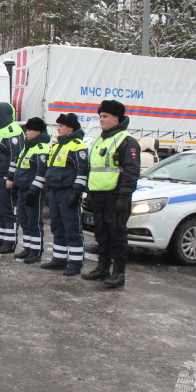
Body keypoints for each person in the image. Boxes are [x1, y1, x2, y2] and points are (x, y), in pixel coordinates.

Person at [82, 100, 141, 288]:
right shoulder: (101, 139)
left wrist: (124, 197)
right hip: (99, 195)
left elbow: (131, 173)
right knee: (101, 234)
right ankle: (102, 268)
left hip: (116, 196)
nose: (101, 120)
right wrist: (90, 194)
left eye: (105, 116)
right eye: (100, 116)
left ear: (117, 118)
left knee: (117, 235)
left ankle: (119, 273)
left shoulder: (127, 141)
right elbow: (95, 169)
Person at [41, 113, 88, 276]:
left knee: (72, 228)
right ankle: (59, 259)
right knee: (57, 227)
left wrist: (76, 193)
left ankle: (75, 263)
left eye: (61, 126)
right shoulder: (56, 146)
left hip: (68, 191)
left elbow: (82, 171)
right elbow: (50, 169)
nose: (58, 129)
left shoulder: (78, 145)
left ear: (71, 128)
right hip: (54, 191)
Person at [0, 102, 24, 254]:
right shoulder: (0, 130)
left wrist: (11, 177)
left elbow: (15, 156)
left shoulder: (13, 130)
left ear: (4, 114)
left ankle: (9, 242)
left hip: (4, 178)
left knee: (7, 211)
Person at [12, 117, 51, 264]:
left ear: (38, 132)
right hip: (23, 189)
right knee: (24, 221)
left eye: (29, 130)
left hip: (33, 191)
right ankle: (28, 248)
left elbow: (41, 172)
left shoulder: (42, 149)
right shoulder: (27, 147)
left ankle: (36, 251)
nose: (26, 133)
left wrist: (33, 191)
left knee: (34, 222)